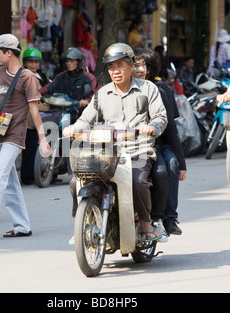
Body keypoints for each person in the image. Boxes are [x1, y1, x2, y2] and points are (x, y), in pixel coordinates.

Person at [64, 43, 168, 241]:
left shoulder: (149, 89)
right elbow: (86, 119)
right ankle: (81, 223)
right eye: (111, 67)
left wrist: (151, 126)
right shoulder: (102, 94)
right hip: (108, 152)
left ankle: (146, 223)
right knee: (75, 181)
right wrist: (75, 128)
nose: (115, 71)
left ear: (131, 65)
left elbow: (160, 117)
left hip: (139, 149)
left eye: (120, 65)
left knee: (138, 181)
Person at [0, 34, 52, 240]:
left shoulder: (28, 78)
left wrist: (43, 140)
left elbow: (34, 112)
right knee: (10, 181)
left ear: (9, 52)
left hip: (15, 135)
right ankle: (22, 225)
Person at [133, 48, 187, 237]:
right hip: (127, 143)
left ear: (150, 68)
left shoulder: (161, 89)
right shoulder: (119, 87)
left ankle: (168, 217)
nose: (137, 68)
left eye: (142, 65)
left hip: (158, 142)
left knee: (169, 165)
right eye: (134, 64)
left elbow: (171, 129)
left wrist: (182, 164)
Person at [20, 48, 51, 185]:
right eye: (30, 62)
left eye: (36, 62)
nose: (33, 65)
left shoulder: (41, 75)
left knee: (39, 145)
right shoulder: (24, 75)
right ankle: (27, 176)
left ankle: (42, 173)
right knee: (30, 147)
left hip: (41, 114)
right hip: (29, 116)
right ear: (25, 62)